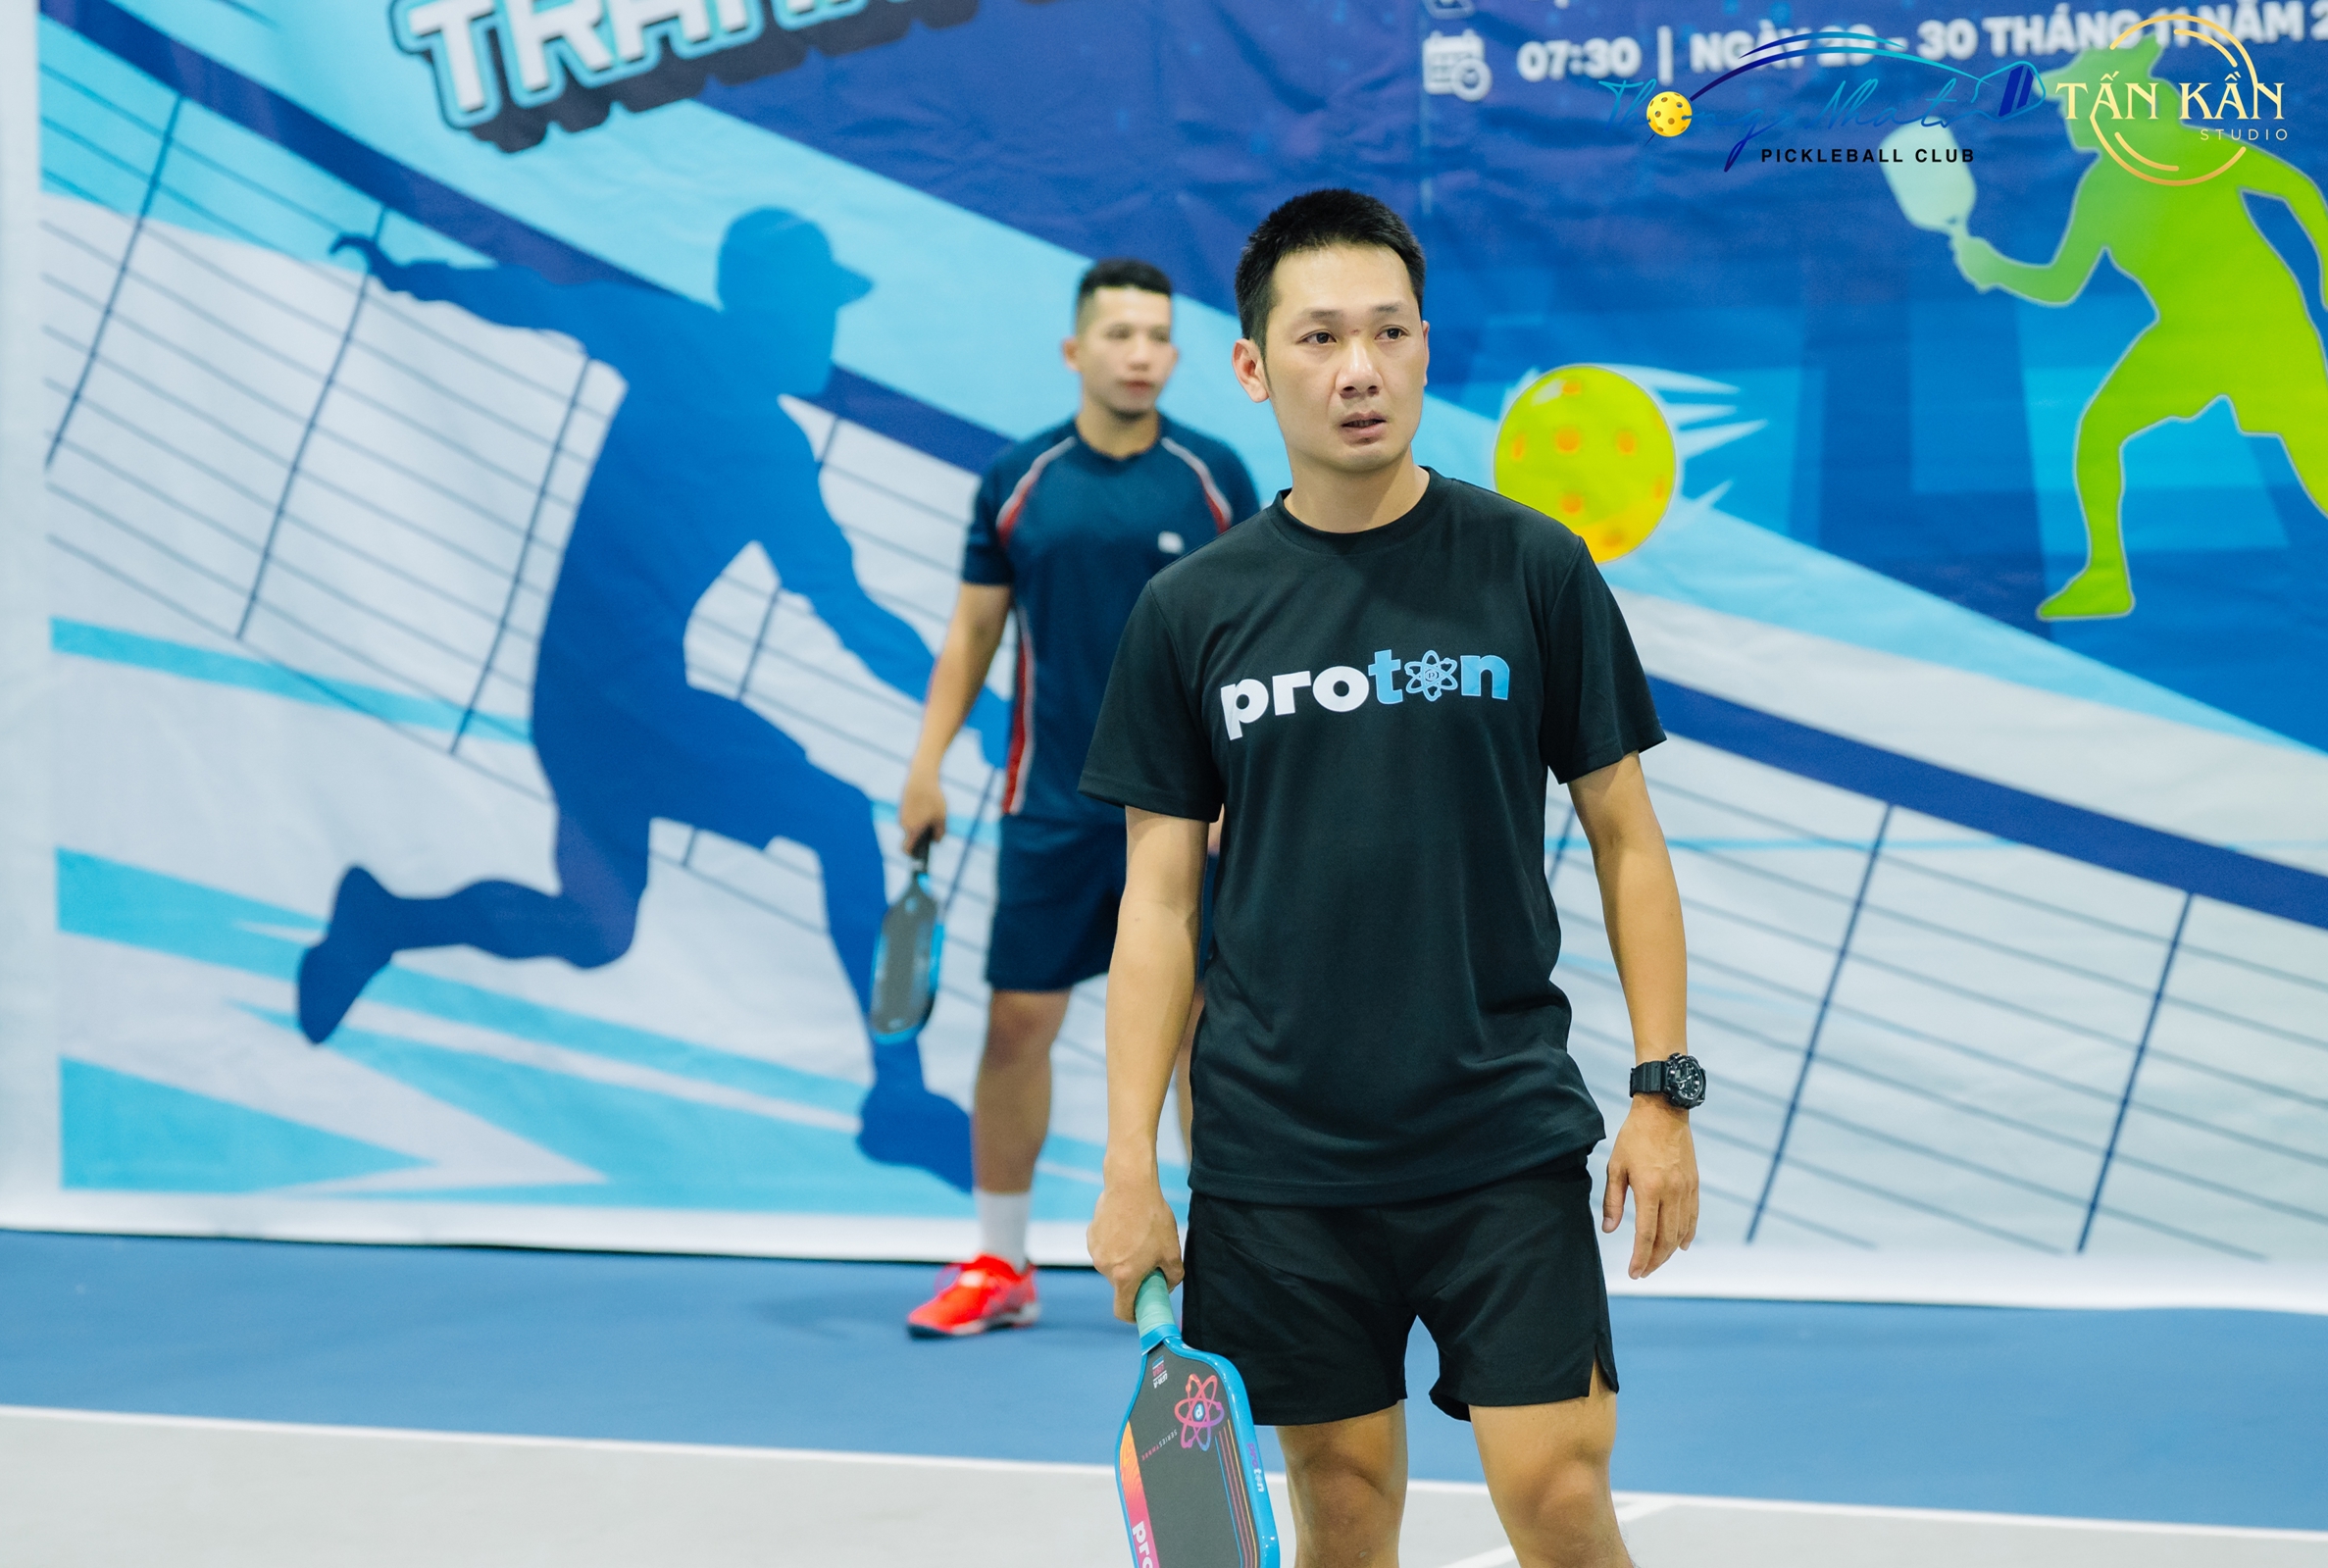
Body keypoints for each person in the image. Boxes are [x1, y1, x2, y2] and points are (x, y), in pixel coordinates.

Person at [1081, 190, 1703, 1568]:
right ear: (1254, 366)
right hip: (1279, 1153)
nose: (1358, 368)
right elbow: (1159, 905)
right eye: (1319, 337)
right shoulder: (1191, 612)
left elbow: (1626, 837)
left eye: (1390, 332)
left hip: (1499, 1130)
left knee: (1560, 1492)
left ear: (1425, 346)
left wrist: (1663, 1092)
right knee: (1345, 1509)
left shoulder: (1533, 567)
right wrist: (1131, 1163)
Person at [294, 210, 994, 1189]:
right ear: (769, 307)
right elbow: (537, 298)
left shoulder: (719, 391)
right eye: (817, 309)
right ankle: (900, 1095)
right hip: (622, 703)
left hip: (585, 705)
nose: (827, 333)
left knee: (596, 930)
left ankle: (384, 920)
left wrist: (414, 275)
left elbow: (536, 299)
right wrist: (414, 275)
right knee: (836, 820)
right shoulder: (714, 384)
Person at [899, 259, 1259, 1338]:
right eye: (1119, 334)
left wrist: (1241, 787)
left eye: (1158, 336)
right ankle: (1000, 1262)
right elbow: (975, 629)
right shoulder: (1020, 480)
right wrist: (925, 763)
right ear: (1075, 350)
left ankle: (1225, 1268)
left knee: (1199, 1037)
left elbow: (1256, 636)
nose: (1141, 354)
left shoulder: (1214, 476)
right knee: (1017, 1024)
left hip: (1189, 813)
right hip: (1052, 805)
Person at [1950, 37, 2328, 622]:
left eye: (2072, 102)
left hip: (2262, 327)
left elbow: (2297, 187)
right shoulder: (2100, 189)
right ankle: (2107, 580)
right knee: (2100, 434)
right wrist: (1995, 267)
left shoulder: (2186, 148)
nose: (2065, 114)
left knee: (2318, 465)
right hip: (2187, 336)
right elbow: (2061, 285)